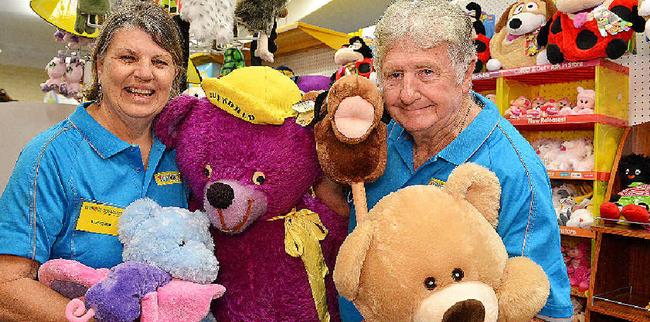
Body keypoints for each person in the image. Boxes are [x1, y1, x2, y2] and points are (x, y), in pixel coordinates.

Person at [331, 0, 573, 321]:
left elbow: (541, 306)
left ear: (467, 71)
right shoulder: (379, 140)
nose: (406, 93)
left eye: (426, 72)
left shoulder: (513, 169)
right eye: (394, 75)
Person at [0, 2, 187, 320]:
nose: (144, 73)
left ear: (175, 76)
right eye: (127, 57)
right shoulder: (50, 156)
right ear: (100, 66)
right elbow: (7, 284)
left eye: (160, 62)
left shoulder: (184, 152)